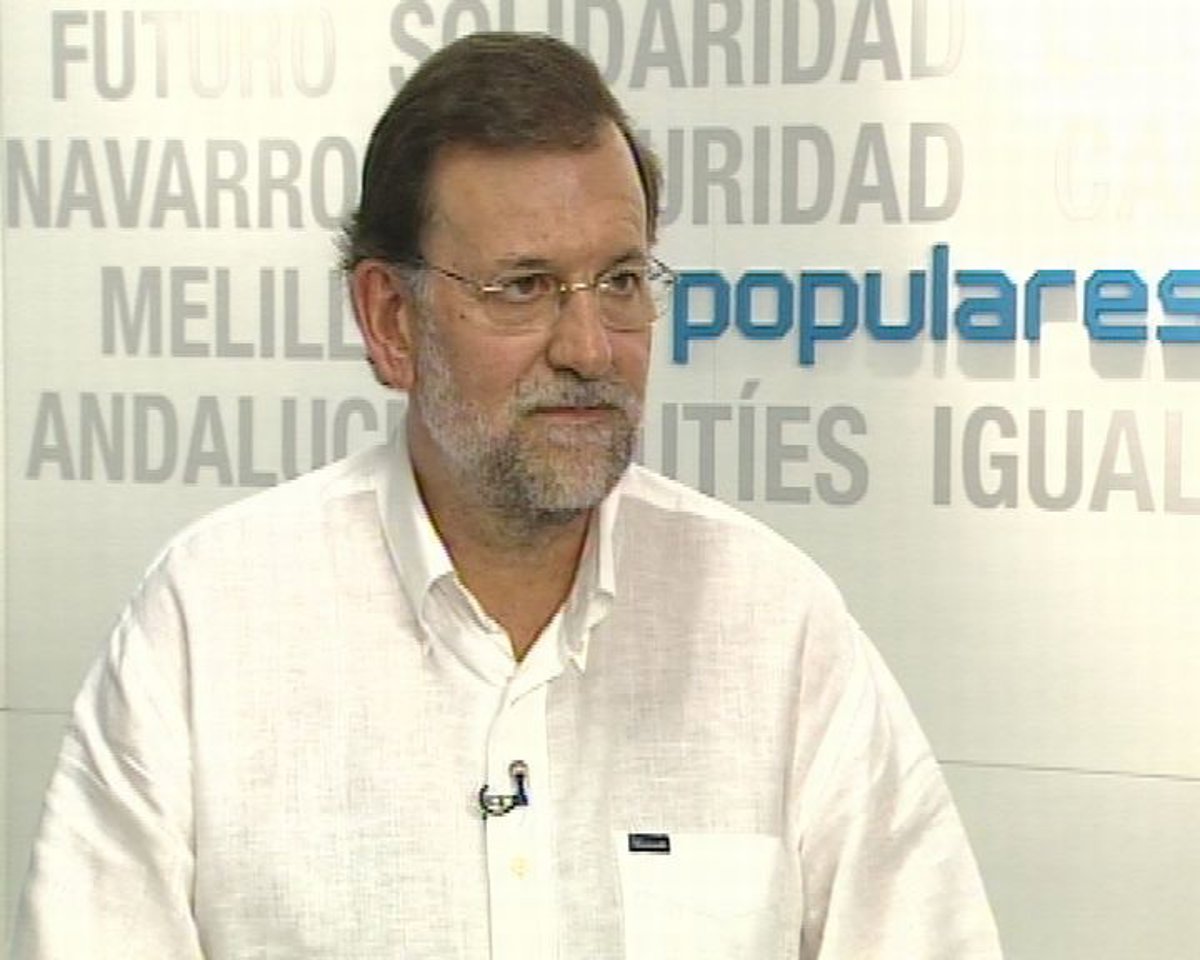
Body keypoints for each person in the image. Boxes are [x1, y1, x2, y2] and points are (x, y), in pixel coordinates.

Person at [11, 32, 1002, 960]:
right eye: (523, 287)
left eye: (621, 281)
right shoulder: (211, 622)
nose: (589, 349)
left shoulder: (775, 623)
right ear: (391, 320)